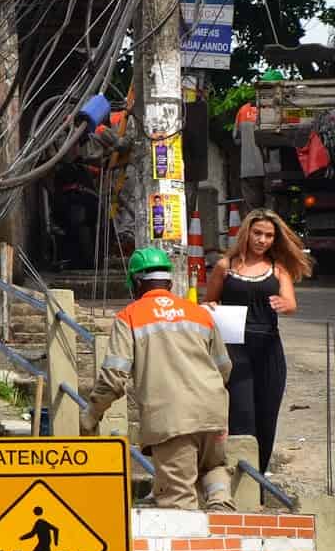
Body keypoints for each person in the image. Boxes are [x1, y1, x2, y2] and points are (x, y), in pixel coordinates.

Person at [83, 248, 235, 510]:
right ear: (170, 282)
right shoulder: (199, 313)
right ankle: (222, 509)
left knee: (178, 501)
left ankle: (192, 542)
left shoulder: (129, 316)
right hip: (213, 412)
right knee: (214, 467)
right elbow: (224, 367)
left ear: (135, 282)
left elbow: (114, 376)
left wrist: (91, 415)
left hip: (172, 418)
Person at [203, 208, 314, 472]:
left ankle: (259, 480)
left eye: (268, 236)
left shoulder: (278, 270)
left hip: (268, 351)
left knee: (266, 419)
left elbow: (291, 303)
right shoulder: (225, 267)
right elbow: (209, 300)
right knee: (242, 418)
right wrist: (210, 308)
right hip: (234, 353)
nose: (262, 240)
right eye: (257, 233)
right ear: (246, 233)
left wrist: (284, 304)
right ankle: (239, 477)